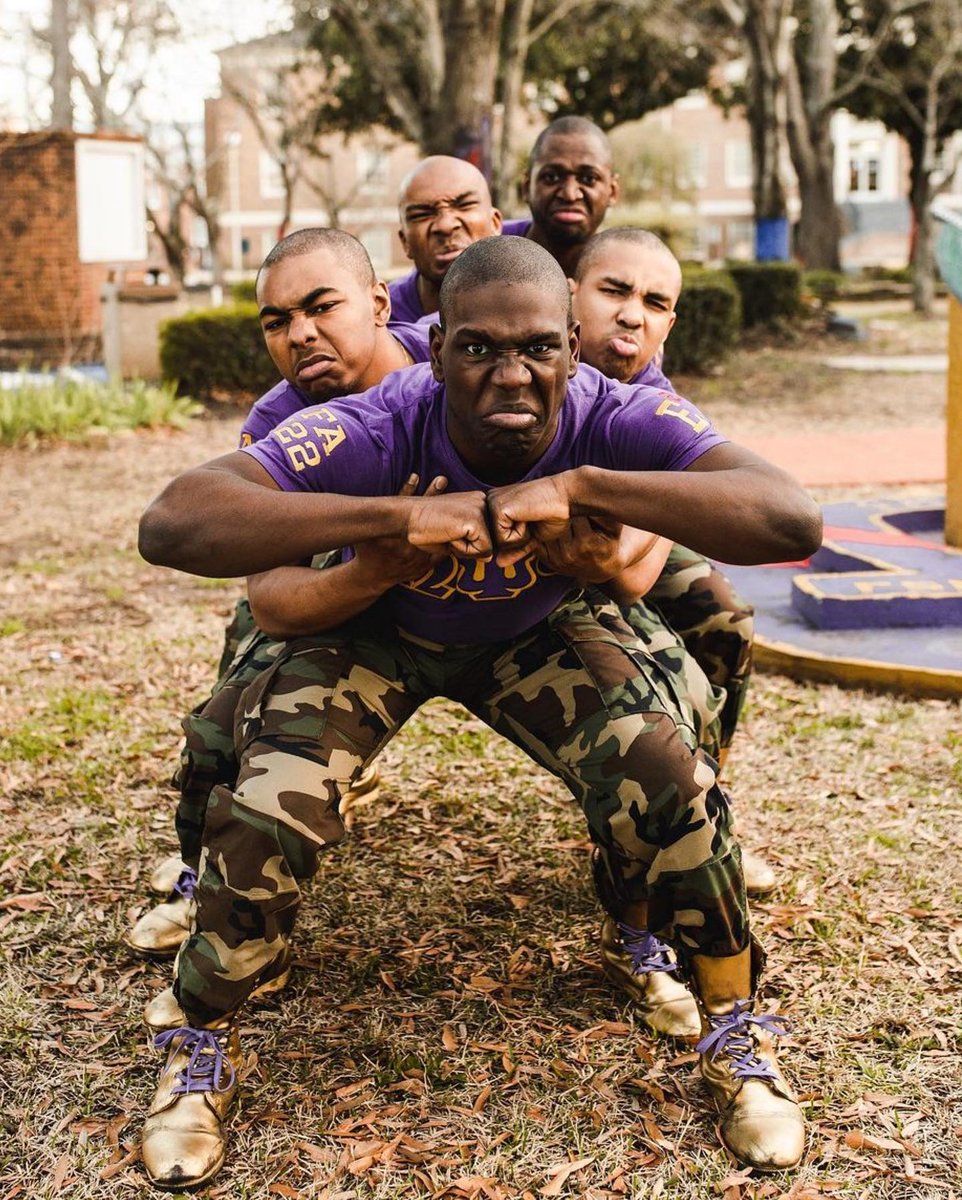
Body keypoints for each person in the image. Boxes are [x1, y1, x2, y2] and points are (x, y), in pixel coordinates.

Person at [136, 236, 821, 1187]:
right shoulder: (383, 419)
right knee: (267, 801)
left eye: (539, 348)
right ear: (436, 344)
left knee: (672, 777)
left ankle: (735, 1030)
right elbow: (174, 521)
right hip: (383, 625)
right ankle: (201, 1041)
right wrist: (392, 524)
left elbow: (790, 518)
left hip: (532, 632)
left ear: (574, 345)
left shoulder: (617, 414)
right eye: (477, 349)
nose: (511, 375)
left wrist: (580, 488)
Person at [126, 229, 432, 961]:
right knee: (217, 732)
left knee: (686, 638)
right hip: (349, 585)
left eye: (321, 307)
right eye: (276, 320)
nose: (300, 333)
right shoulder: (273, 420)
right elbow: (271, 596)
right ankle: (207, 875)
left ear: (379, 302)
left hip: (489, 593)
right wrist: (376, 561)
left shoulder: (452, 359)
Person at [389, 155, 503, 323]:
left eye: (464, 205)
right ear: (405, 242)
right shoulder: (382, 318)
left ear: (495, 223)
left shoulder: (534, 300)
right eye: (422, 215)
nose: (445, 225)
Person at [502, 116, 620, 277]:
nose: (570, 195)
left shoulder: (624, 272)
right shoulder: (487, 245)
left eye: (588, 179)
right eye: (551, 177)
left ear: (612, 191)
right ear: (526, 187)